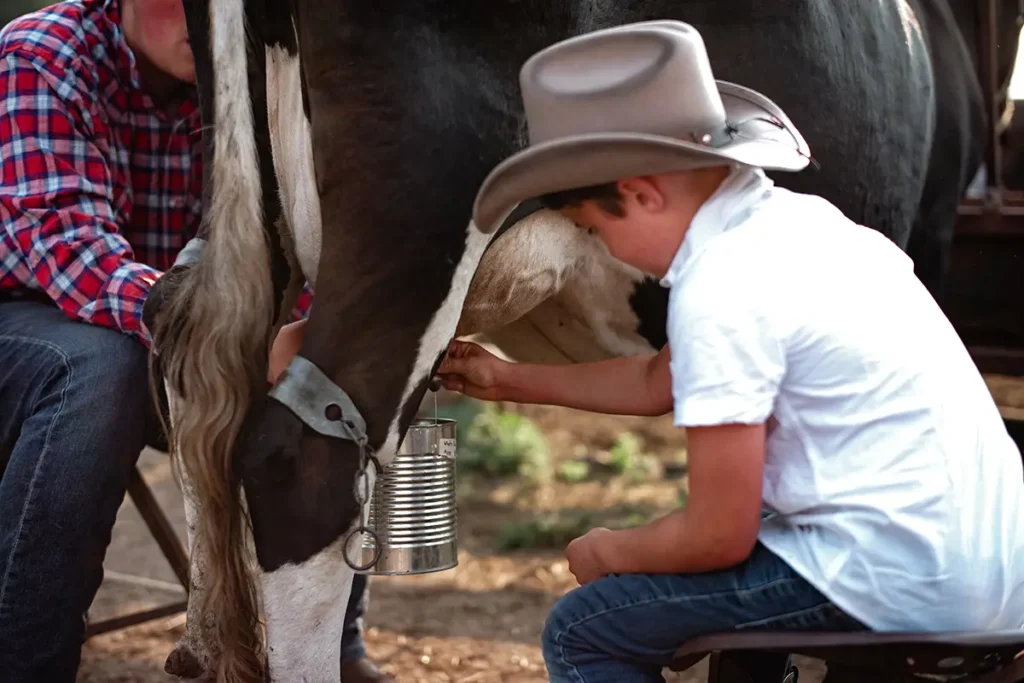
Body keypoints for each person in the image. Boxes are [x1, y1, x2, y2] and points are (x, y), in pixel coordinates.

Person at [437, 20, 1024, 683]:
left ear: (639, 193)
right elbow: (662, 378)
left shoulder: (718, 286)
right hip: (995, 576)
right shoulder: (813, 230)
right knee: (758, 546)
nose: (604, 249)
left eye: (593, 229)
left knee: (583, 628)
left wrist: (613, 550)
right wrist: (507, 378)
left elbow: (720, 534)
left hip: (898, 579)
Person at [0, 0, 389, 681]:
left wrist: (313, 330)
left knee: (331, 366)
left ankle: (334, 643)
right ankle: (24, 659)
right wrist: (232, 338)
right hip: (32, 327)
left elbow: (296, 244)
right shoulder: (41, 53)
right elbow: (70, 250)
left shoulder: (254, 71)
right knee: (101, 367)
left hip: (173, 334)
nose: (208, 13)